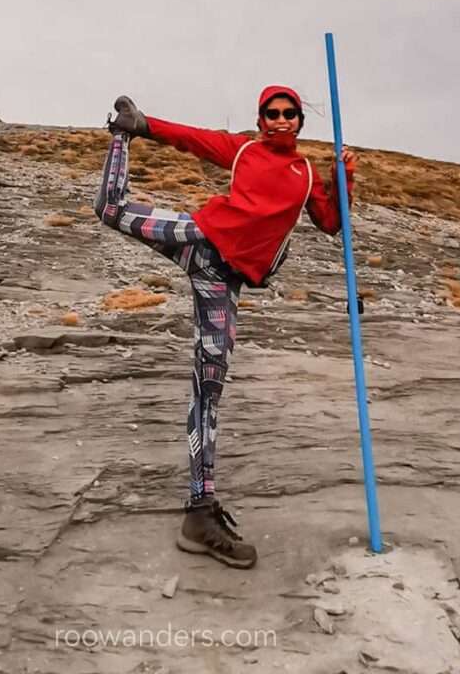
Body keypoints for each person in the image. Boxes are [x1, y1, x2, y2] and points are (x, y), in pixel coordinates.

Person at [94, 85, 356, 569]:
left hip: (224, 281)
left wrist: (344, 179)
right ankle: (119, 136)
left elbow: (331, 223)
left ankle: (199, 511)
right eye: (272, 114)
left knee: (208, 389)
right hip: (198, 239)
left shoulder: (305, 174)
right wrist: (143, 126)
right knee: (111, 209)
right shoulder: (245, 151)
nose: (281, 120)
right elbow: (193, 139)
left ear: (300, 122)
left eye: (289, 114)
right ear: (261, 120)